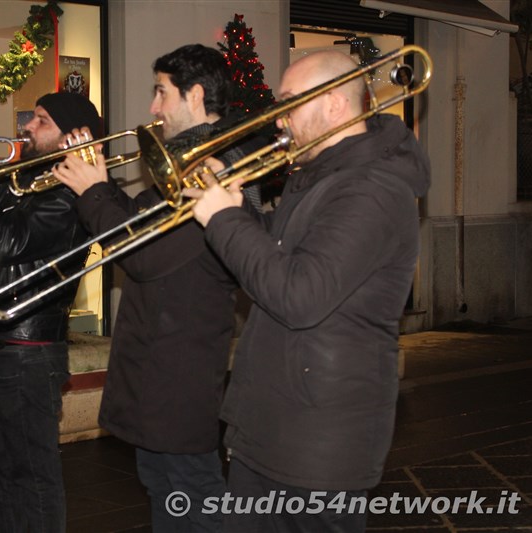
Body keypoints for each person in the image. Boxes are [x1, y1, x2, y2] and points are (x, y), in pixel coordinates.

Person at [184, 50, 431, 532]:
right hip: (274, 425)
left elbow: (300, 296)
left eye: (290, 103)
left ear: (335, 106)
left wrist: (224, 218)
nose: (280, 116)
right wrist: (236, 209)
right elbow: (274, 261)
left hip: (319, 444)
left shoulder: (373, 189)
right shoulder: (319, 178)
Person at [52, 43, 262, 532]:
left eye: (159, 93)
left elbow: (144, 254)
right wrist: (97, 186)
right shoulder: (182, 159)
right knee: (163, 486)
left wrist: (94, 190)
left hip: (181, 366)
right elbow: (137, 226)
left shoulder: (212, 167)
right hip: (158, 360)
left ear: (193, 94)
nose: (151, 107)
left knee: (195, 492)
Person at [0, 91, 103, 533]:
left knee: (31, 478)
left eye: (41, 120)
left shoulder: (69, 195)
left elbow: (5, 243)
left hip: (28, 351)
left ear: (72, 135)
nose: (27, 126)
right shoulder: (34, 181)